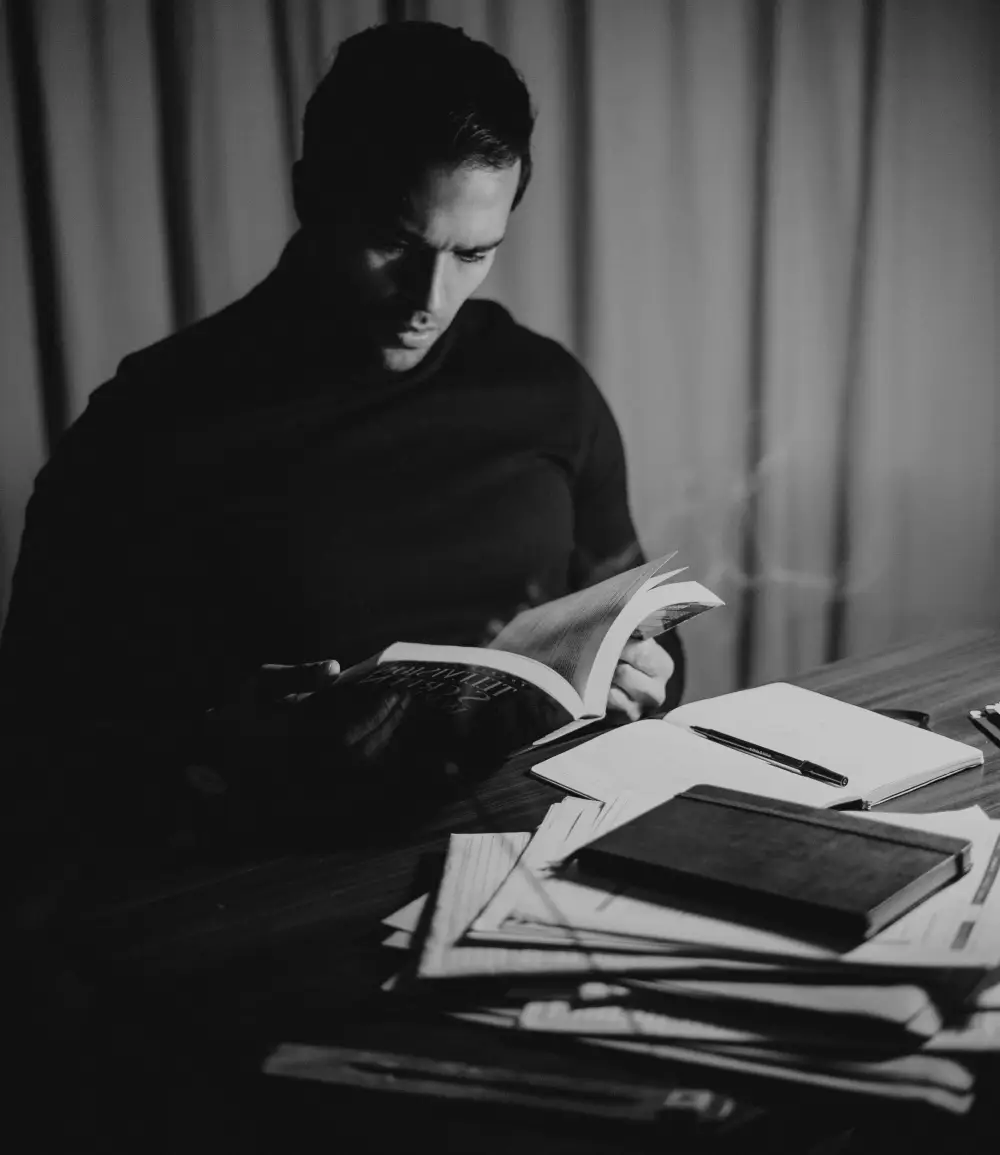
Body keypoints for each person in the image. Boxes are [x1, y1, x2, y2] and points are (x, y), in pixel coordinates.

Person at [0, 20, 683, 857]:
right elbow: (36, 741)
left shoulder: (544, 387)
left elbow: (633, 616)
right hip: (261, 882)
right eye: (394, 242)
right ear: (310, 194)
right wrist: (213, 750)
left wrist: (645, 670)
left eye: (474, 252)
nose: (428, 298)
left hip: (527, 848)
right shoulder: (147, 426)